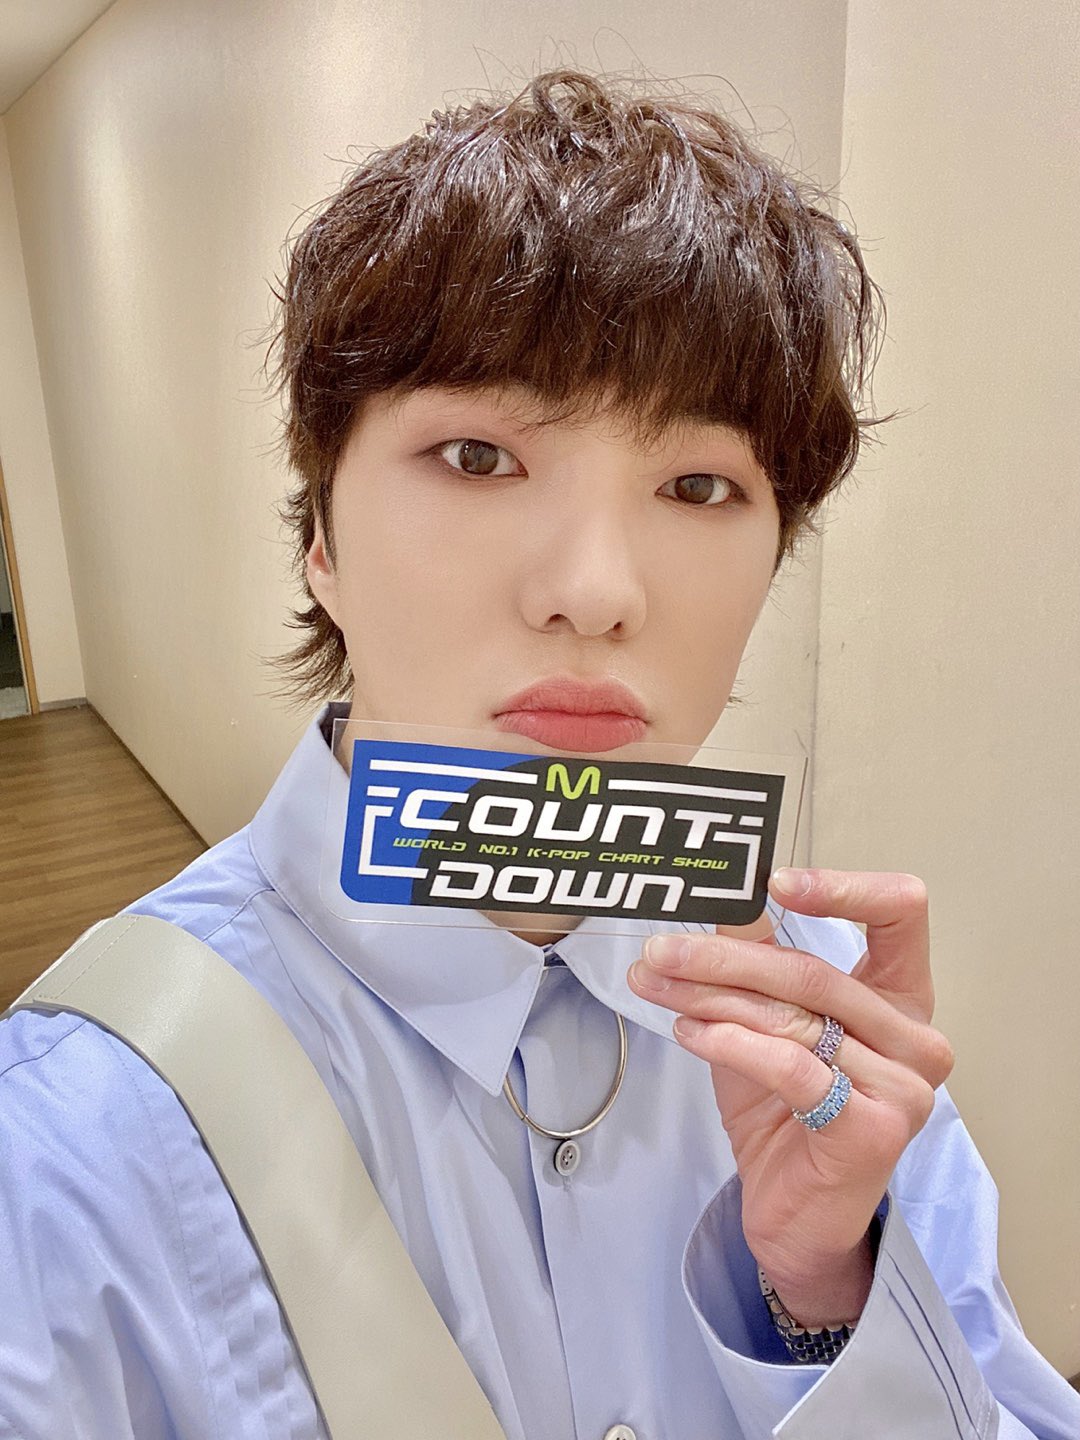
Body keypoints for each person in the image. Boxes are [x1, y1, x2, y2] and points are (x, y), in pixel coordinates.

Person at [1, 68, 1077, 1440]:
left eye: (699, 485)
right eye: (476, 456)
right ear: (320, 539)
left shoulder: (829, 1037)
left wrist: (823, 1292)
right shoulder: (69, 1144)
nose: (597, 590)